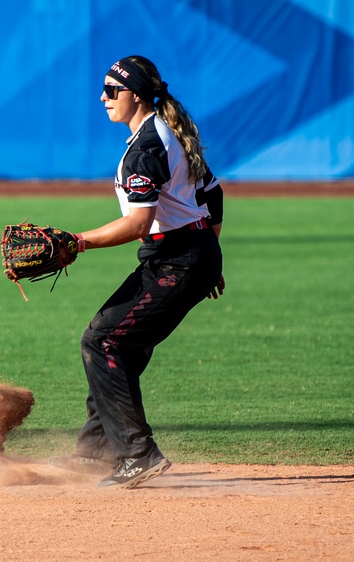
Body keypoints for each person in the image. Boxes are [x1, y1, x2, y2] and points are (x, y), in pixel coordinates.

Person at [49, 55, 225, 489]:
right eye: (104, 89)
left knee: (104, 341)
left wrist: (78, 241)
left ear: (137, 95)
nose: (103, 97)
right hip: (185, 256)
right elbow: (213, 194)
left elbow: (137, 225)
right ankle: (96, 451)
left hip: (177, 259)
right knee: (115, 345)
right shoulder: (163, 135)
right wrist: (210, 255)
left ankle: (136, 453)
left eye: (113, 90)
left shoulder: (147, 147)